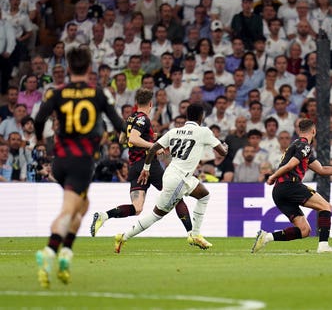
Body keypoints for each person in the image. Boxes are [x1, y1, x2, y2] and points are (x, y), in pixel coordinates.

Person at [33, 47, 125, 288]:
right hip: (81, 161)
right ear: (89, 67)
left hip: (59, 161)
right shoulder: (99, 93)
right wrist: (118, 138)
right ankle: (50, 253)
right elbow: (118, 124)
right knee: (68, 210)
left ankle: (66, 254)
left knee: (82, 206)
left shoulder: (56, 93)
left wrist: (41, 140)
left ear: (68, 67)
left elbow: (39, 119)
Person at [114, 103, 229, 252]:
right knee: (157, 214)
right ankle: (123, 237)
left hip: (178, 175)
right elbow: (222, 153)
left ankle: (195, 234)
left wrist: (146, 168)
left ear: (187, 116)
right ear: (202, 117)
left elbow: (153, 148)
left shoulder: (174, 131)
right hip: (179, 179)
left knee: (204, 195)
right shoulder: (204, 132)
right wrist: (225, 147)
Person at [90, 89, 194, 244]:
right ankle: (192, 234)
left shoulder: (130, 118)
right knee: (176, 197)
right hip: (149, 166)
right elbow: (133, 138)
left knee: (137, 208)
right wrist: (153, 145)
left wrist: (146, 138)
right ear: (150, 104)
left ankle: (104, 215)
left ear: (136, 103)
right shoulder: (143, 119)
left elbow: (122, 139)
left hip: (134, 167)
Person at [251, 118, 332, 254]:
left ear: (299, 130)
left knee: (304, 230)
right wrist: (273, 176)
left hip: (279, 192)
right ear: (314, 131)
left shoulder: (299, 147)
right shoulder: (304, 146)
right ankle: (323, 246)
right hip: (290, 185)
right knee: (325, 207)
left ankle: (266, 237)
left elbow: (322, 170)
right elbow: (291, 165)